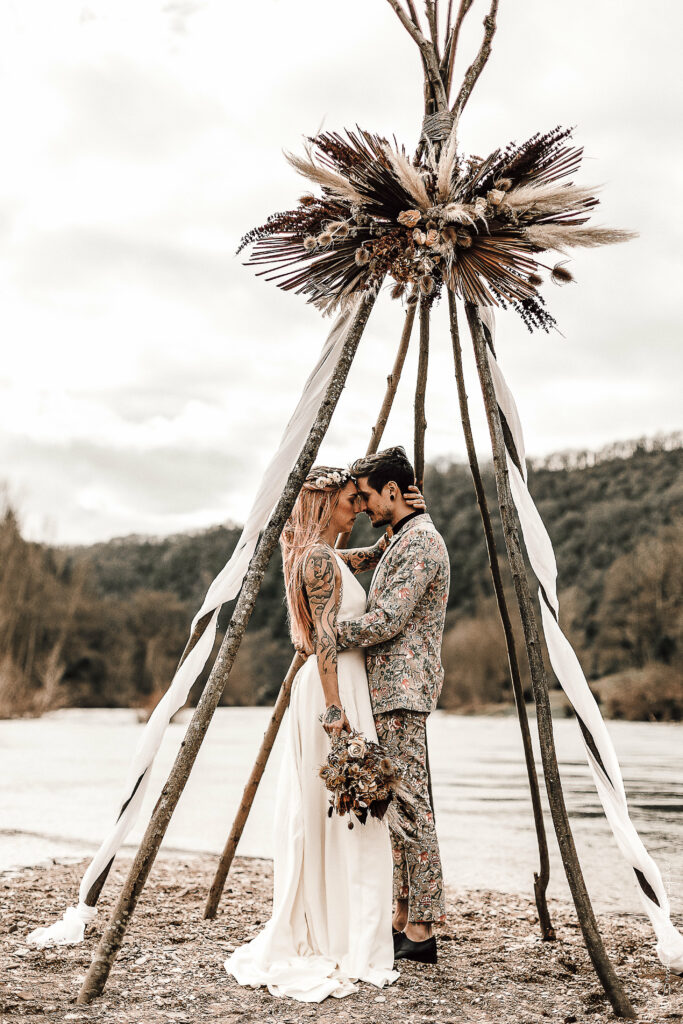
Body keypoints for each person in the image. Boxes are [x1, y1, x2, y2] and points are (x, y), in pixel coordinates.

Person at [224, 465, 425, 1001]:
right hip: (334, 688)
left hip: (344, 683)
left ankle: (349, 925)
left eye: (362, 499)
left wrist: (405, 517)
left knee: (342, 812)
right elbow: (328, 641)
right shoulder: (315, 559)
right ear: (321, 503)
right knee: (345, 810)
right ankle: (346, 935)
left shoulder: (324, 554)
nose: (357, 507)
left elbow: (374, 557)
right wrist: (337, 716)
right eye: (350, 499)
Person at [336, 446, 450, 965]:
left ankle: (423, 929)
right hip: (388, 687)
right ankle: (405, 913)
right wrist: (317, 556)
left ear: (391, 491)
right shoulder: (402, 537)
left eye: (367, 496)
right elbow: (366, 558)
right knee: (398, 802)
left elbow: (387, 621)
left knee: (411, 802)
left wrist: (328, 634)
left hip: (402, 688)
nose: (363, 507)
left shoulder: (421, 544)